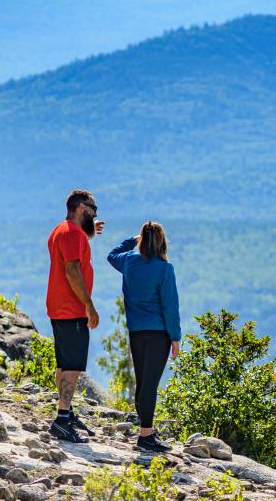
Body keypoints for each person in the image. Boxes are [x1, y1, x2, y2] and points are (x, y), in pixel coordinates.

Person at [107, 221, 181, 453]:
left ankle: (145, 431)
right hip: (159, 334)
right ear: (162, 242)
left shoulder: (128, 261)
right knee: (150, 385)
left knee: (142, 382)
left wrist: (133, 239)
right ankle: (146, 435)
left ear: (142, 239)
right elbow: (170, 306)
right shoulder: (164, 269)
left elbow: (112, 255)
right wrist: (175, 337)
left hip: (136, 331)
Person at [46, 189, 104, 443]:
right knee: (72, 367)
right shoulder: (71, 233)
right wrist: (89, 306)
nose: (95, 213)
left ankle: (66, 413)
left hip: (59, 308)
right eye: (93, 209)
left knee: (64, 363)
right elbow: (72, 270)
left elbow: (74, 252)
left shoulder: (64, 230)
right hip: (72, 309)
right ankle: (61, 420)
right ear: (81, 208)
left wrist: (89, 232)